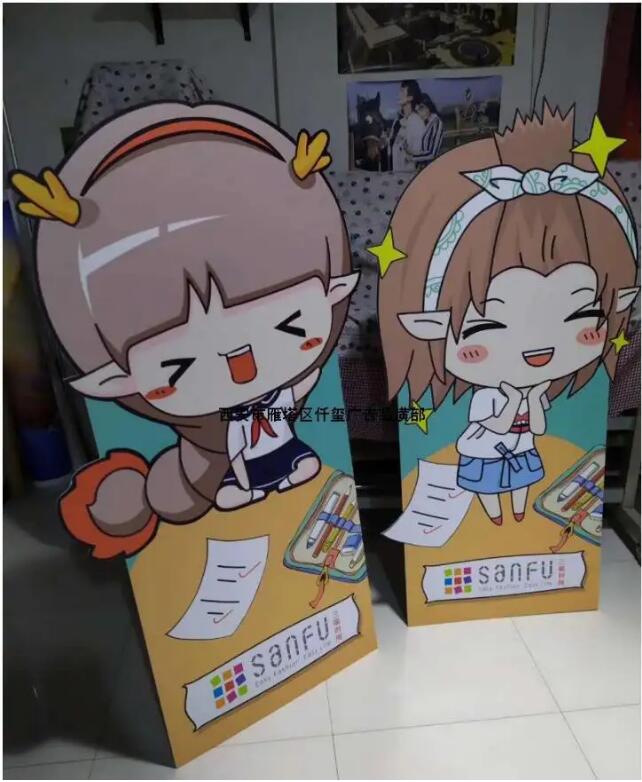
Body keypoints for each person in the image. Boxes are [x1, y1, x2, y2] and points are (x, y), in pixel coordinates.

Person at [11, 103, 358, 557]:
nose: (242, 368)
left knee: (291, 471)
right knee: (224, 486)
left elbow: (304, 385)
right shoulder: (203, 424)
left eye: (289, 325)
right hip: (221, 501)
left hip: (289, 483)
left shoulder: (284, 391)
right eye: (179, 364)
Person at [379, 106, 638, 526]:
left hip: (521, 449)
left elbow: (537, 426)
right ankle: (497, 520)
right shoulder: (485, 394)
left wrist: (532, 399)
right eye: (488, 325)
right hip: (486, 451)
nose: (538, 346)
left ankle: (518, 515)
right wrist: (517, 399)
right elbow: (495, 424)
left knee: (523, 483)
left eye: (582, 314)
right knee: (489, 487)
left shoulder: (538, 387)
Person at [390, 80, 426, 172]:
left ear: (410, 97)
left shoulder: (416, 122)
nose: (398, 94)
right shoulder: (399, 122)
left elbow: (416, 156)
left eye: (402, 91)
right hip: (397, 176)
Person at [412, 93, 444, 167]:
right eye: (417, 111)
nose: (420, 113)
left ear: (428, 107)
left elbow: (433, 154)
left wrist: (412, 157)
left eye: (421, 108)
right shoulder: (426, 123)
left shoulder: (437, 123)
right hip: (422, 166)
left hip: (432, 167)